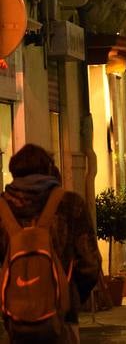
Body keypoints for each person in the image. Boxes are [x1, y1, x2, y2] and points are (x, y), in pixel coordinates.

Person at [0, 143, 101, 344]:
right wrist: (70, 295)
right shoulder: (70, 203)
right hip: (61, 317)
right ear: (49, 168)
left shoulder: (3, 208)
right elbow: (90, 263)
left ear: (13, 171)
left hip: (15, 317)